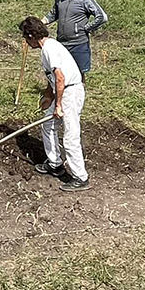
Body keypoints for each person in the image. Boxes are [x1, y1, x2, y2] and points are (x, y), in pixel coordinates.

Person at [19, 16, 89, 192]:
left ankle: (80, 177)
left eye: (26, 37)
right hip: (62, 91)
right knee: (48, 124)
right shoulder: (47, 48)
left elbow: (60, 78)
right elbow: (53, 78)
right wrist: (49, 97)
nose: (26, 42)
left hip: (70, 93)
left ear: (32, 35)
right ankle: (55, 163)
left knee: (71, 135)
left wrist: (58, 105)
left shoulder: (50, 49)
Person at [41, 0, 108, 77]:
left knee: (79, 74)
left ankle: (80, 93)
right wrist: (42, 22)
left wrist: (86, 28)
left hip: (79, 44)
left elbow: (102, 17)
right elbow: (54, 14)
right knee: (60, 73)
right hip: (62, 43)